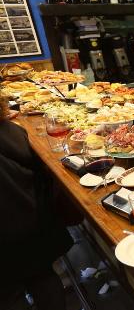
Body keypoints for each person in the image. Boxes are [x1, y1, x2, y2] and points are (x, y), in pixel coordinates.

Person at [0, 97, 73, 310]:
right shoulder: (11, 132)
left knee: (8, 294)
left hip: (14, 233)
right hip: (30, 226)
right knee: (42, 277)